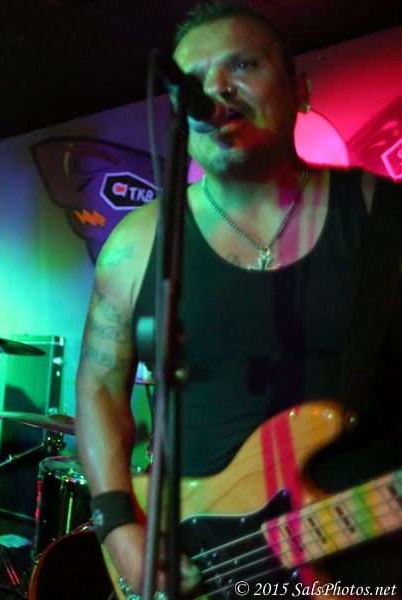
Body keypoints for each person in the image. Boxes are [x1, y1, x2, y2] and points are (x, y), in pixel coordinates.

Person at [75, 2, 401, 597]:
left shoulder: (385, 217)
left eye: (243, 65)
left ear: (300, 89)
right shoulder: (136, 243)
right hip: (201, 565)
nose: (216, 90)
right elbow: (100, 385)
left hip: (372, 562)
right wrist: (117, 525)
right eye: (193, 80)